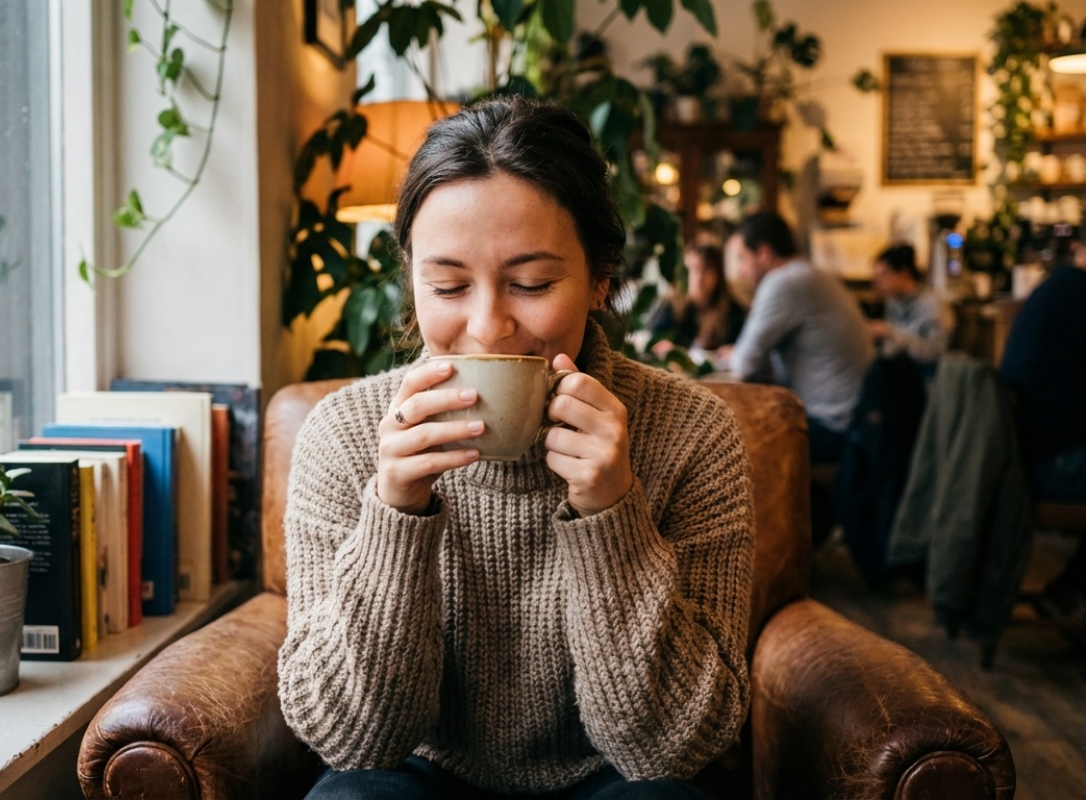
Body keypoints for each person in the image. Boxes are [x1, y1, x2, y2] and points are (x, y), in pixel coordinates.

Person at [277, 97, 755, 800]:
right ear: (411, 284)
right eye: (447, 285)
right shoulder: (344, 435)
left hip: (614, 777)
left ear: (600, 279)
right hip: (422, 774)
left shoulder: (692, 433)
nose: (487, 327)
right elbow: (351, 742)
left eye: (531, 284)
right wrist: (395, 514)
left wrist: (612, 512)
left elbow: (676, 745)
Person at [719, 211, 874, 462]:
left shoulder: (784, 282)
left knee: (727, 445)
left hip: (830, 425)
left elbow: (744, 365)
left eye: (742, 258)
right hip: (852, 417)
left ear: (764, 253)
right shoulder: (807, 273)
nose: (741, 271)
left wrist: (732, 356)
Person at [999, 246, 1086, 617]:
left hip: (1028, 455)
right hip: (1051, 463)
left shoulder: (1059, 288)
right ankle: (1072, 586)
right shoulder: (1076, 296)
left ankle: (1071, 586)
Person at [648, 243, 747, 352]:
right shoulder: (671, 305)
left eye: (706, 269)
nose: (699, 277)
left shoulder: (732, 310)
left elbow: (743, 346)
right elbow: (652, 339)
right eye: (693, 269)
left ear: (718, 275)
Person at [867, 243, 951, 369]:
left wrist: (889, 333)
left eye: (883, 275)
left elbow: (935, 353)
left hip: (925, 379)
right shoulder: (893, 302)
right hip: (896, 374)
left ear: (904, 274)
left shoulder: (933, 306)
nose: (876, 282)